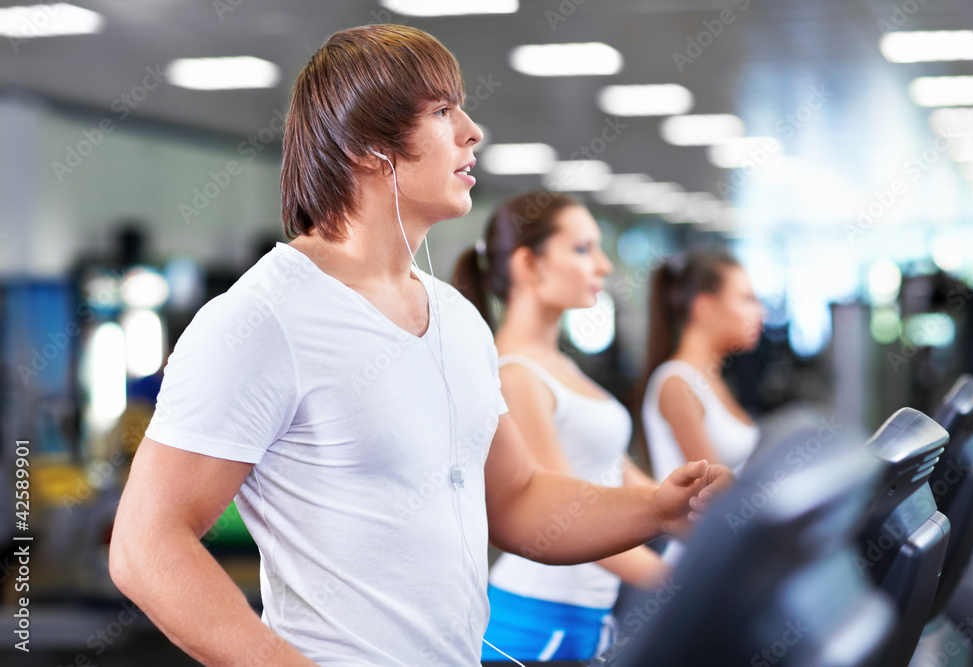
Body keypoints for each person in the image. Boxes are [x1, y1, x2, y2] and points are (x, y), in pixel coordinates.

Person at [108, 25, 732, 667]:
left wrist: (658, 507)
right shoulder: (262, 320)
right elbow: (145, 545)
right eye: (441, 112)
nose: (472, 130)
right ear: (366, 147)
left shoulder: (458, 318)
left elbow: (518, 501)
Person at [452, 192, 668, 662]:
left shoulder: (557, 364)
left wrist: (703, 519)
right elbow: (567, 515)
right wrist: (679, 586)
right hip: (536, 620)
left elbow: (614, 474)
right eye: (583, 249)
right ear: (530, 265)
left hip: (584, 614)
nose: (604, 266)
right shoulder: (515, 373)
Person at [639, 248, 762, 567]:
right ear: (706, 307)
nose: (758, 312)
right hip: (699, 563)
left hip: (733, 554)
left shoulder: (713, 381)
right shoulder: (677, 384)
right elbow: (716, 494)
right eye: (747, 299)